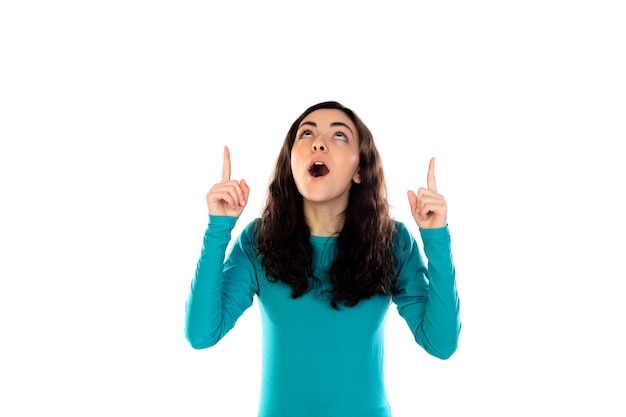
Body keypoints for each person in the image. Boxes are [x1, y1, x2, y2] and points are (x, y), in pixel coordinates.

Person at [185, 101, 461, 417]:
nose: (318, 142)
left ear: (360, 170)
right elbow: (201, 334)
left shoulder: (393, 241)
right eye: (306, 133)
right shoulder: (259, 239)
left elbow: (441, 344)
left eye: (339, 136)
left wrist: (436, 238)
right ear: (291, 162)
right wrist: (218, 228)